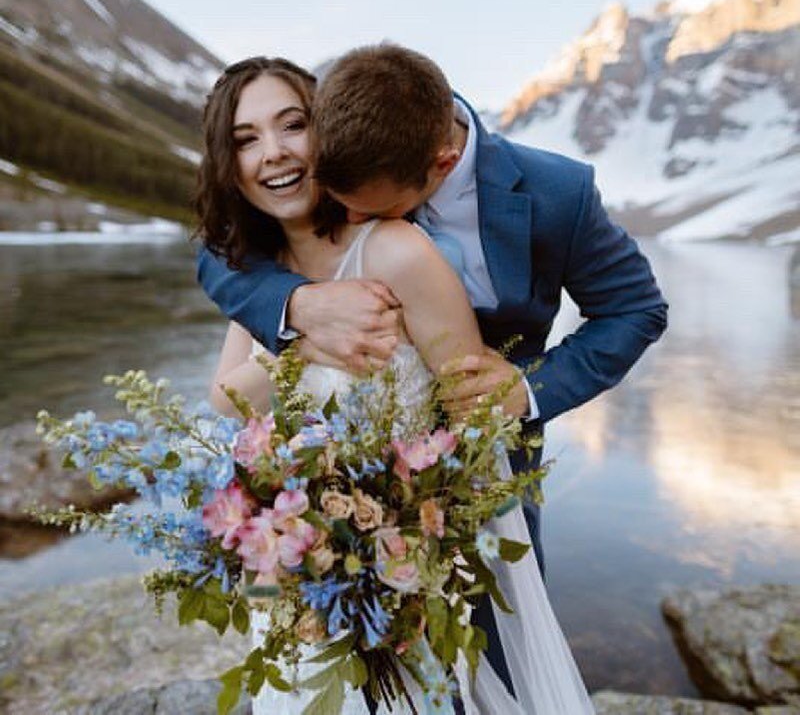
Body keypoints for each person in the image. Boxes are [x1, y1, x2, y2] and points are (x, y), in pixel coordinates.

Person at [197, 43, 668, 700]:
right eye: (247, 138)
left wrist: (524, 390)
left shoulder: (529, 200)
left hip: (444, 495)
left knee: (486, 661)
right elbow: (220, 272)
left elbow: (631, 310)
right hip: (307, 535)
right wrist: (301, 316)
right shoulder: (276, 243)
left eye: (292, 126)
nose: (276, 151)